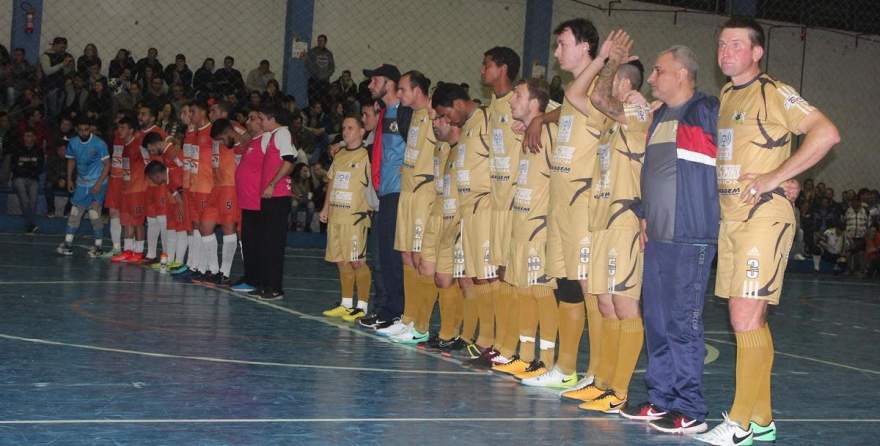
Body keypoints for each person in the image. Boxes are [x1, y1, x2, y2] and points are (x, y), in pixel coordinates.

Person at [696, 17, 840, 445]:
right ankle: (761, 420)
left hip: (764, 216)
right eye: (722, 44)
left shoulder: (772, 92)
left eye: (736, 45)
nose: (726, 52)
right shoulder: (726, 94)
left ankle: (739, 422)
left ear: (757, 52)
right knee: (750, 321)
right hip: (732, 220)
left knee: (743, 316)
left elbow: (826, 133)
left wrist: (778, 176)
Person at [521, 18, 606, 390]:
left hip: (586, 207)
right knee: (566, 288)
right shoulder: (573, 95)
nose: (556, 52)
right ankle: (566, 368)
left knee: (591, 291)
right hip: (561, 209)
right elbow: (568, 108)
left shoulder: (599, 90)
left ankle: (600, 376)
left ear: (586, 46)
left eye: (563, 44)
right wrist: (542, 116)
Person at [569, 31, 650, 414]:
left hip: (622, 218)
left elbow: (598, 96)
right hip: (601, 220)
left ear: (625, 83)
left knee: (623, 304)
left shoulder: (637, 111)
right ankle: (603, 382)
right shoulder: (608, 122)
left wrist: (607, 59)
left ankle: (618, 389)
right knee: (604, 303)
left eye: (615, 75)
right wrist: (604, 63)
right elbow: (576, 96)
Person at [490, 78, 559, 380]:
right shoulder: (527, 134)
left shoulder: (550, 131)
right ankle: (527, 355)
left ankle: (545, 360)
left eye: (518, 95)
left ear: (535, 104)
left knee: (541, 293)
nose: (511, 100)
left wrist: (542, 119)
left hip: (540, 226)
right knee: (523, 291)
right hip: (520, 222)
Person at [431, 82, 497, 362]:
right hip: (467, 213)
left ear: (458, 104)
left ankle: (489, 340)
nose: (445, 120)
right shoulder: (469, 127)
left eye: (446, 114)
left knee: (484, 277)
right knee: (472, 277)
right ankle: (477, 338)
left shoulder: (487, 118)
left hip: (485, 209)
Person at [382, 70, 437, 343]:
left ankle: (421, 326)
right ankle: (408, 318)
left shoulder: (433, 114)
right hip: (407, 191)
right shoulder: (412, 116)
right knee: (406, 255)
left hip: (424, 194)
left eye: (403, 89)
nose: (399, 94)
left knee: (420, 259)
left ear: (418, 90)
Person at [357, 64, 411, 330]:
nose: (370, 85)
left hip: (399, 190)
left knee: (393, 255)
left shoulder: (404, 112)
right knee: (384, 256)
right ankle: (388, 309)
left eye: (374, 80)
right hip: (385, 190)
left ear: (389, 83)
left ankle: (397, 312)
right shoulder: (386, 113)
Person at [480, 46, 521, 368]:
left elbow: (560, 112)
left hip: (515, 201)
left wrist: (537, 122)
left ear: (503, 68)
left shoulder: (520, 100)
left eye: (487, 65)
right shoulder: (493, 105)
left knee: (510, 274)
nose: (483, 70)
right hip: (495, 198)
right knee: (497, 273)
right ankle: (499, 341)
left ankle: (512, 346)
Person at [416, 97, 461, 355]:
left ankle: (450, 333)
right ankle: (422, 327)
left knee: (447, 278)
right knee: (427, 269)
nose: (433, 123)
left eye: (437, 118)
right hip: (437, 211)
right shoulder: (440, 147)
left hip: (453, 216)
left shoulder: (459, 143)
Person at [320, 115, 373, 320]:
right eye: (343, 128)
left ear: (361, 131)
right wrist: (325, 207)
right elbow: (331, 181)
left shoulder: (367, 155)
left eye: (351, 128)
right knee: (340, 261)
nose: (345, 131)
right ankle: (346, 303)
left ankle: (362, 305)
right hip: (336, 215)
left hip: (355, 217)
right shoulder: (340, 154)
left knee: (357, 261)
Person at [248, 105, 296, 300]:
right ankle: (266, 284)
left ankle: (275, 287)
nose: (259, 121)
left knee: (274, 244)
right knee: (266, 242)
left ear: (271, 117)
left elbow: (290, 161)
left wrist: (272, 184)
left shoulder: (283, 133)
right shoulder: (272, 136)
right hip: (269, 197)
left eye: (261, 117)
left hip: (278, 196)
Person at [56, 119, 109, 256]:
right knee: (74, 213)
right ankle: (67, 244)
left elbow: (107, 165)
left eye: (86, 129)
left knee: (94, 214)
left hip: (98, 183)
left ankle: (98, 247)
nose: (83, 132)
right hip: (81, 184)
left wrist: (98, 184)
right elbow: (71, 160)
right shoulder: (73, 142)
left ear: (90, 129)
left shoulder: (99, 143)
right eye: (80, 129)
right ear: (77, 129)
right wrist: (69, 179)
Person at [208, 105, 248, 286]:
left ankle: (225, 272)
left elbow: (246, 141)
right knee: (206, 225)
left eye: (214, 111)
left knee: (231, 228)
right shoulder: (216, 133)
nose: (211, 115)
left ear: (224, 113)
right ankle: (213, 270)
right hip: (218, 186)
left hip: (231, 187)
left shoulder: (238, 132)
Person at [228, 110, 267, 292]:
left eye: (252, 119)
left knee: (256, 242)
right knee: (248, 240)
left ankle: (257, 279)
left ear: (262, 122)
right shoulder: (252, 142)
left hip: (257, 201)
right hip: (246, 200)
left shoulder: (267, 141)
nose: (248, 122)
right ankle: (250, 276)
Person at [136, 104, 170, 265]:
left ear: (153, 117)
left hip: (161, 183)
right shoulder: (139, 135)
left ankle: (166, 255)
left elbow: (169, 158)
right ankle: (150, 254)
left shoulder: (160, 134)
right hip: (148, 184)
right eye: (139, 114)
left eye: (144, 113)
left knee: (163, 219)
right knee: (151, 219)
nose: (140, 116)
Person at [111, 117, 148, 263]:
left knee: (138, 222)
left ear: (131, 130)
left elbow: (149, 163)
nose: (119, 131)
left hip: (138, 190)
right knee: (126, 221)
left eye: (123, 128)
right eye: (118, 128)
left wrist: (145, 185)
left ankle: (138, 252)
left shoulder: (139, 145)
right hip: (126, 190)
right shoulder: (126, 146)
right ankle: (128, 251)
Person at [10, 128, 44, 233]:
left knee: (33, 201)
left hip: (33, 179)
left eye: (30, 136)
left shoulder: (39, 151)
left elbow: (39, 168)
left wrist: (25, 168)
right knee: (24, 199)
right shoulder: (17, 149)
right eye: (26, 136)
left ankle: (29, 225)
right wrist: (28, 169)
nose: (27, 138)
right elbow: (14, 167)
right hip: (18, 178)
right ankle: (31, 224)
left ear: (34, 137)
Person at [41, 37, 74, 119]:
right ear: (55, 45)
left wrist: (70, 77)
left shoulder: (67, 56)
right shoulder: (45, 56)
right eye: (61, 47)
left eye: (65, 48)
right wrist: (62, 64)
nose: (63, 50)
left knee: (61, 107)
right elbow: (47, 71)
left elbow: (72, 71)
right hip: (50, 85)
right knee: (52, 109)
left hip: (63, 85)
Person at [306, 34, 335, 103]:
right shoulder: (312, 52)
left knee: (323, 100)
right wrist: (316, 74)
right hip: (314, 80)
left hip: (324, 81)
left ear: (325, 42)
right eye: (318, 40)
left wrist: (325, 76)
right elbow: (308, 64)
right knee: (313, 100)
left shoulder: (328, 54)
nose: (319, 42)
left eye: (321, 41)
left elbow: (332, 67)